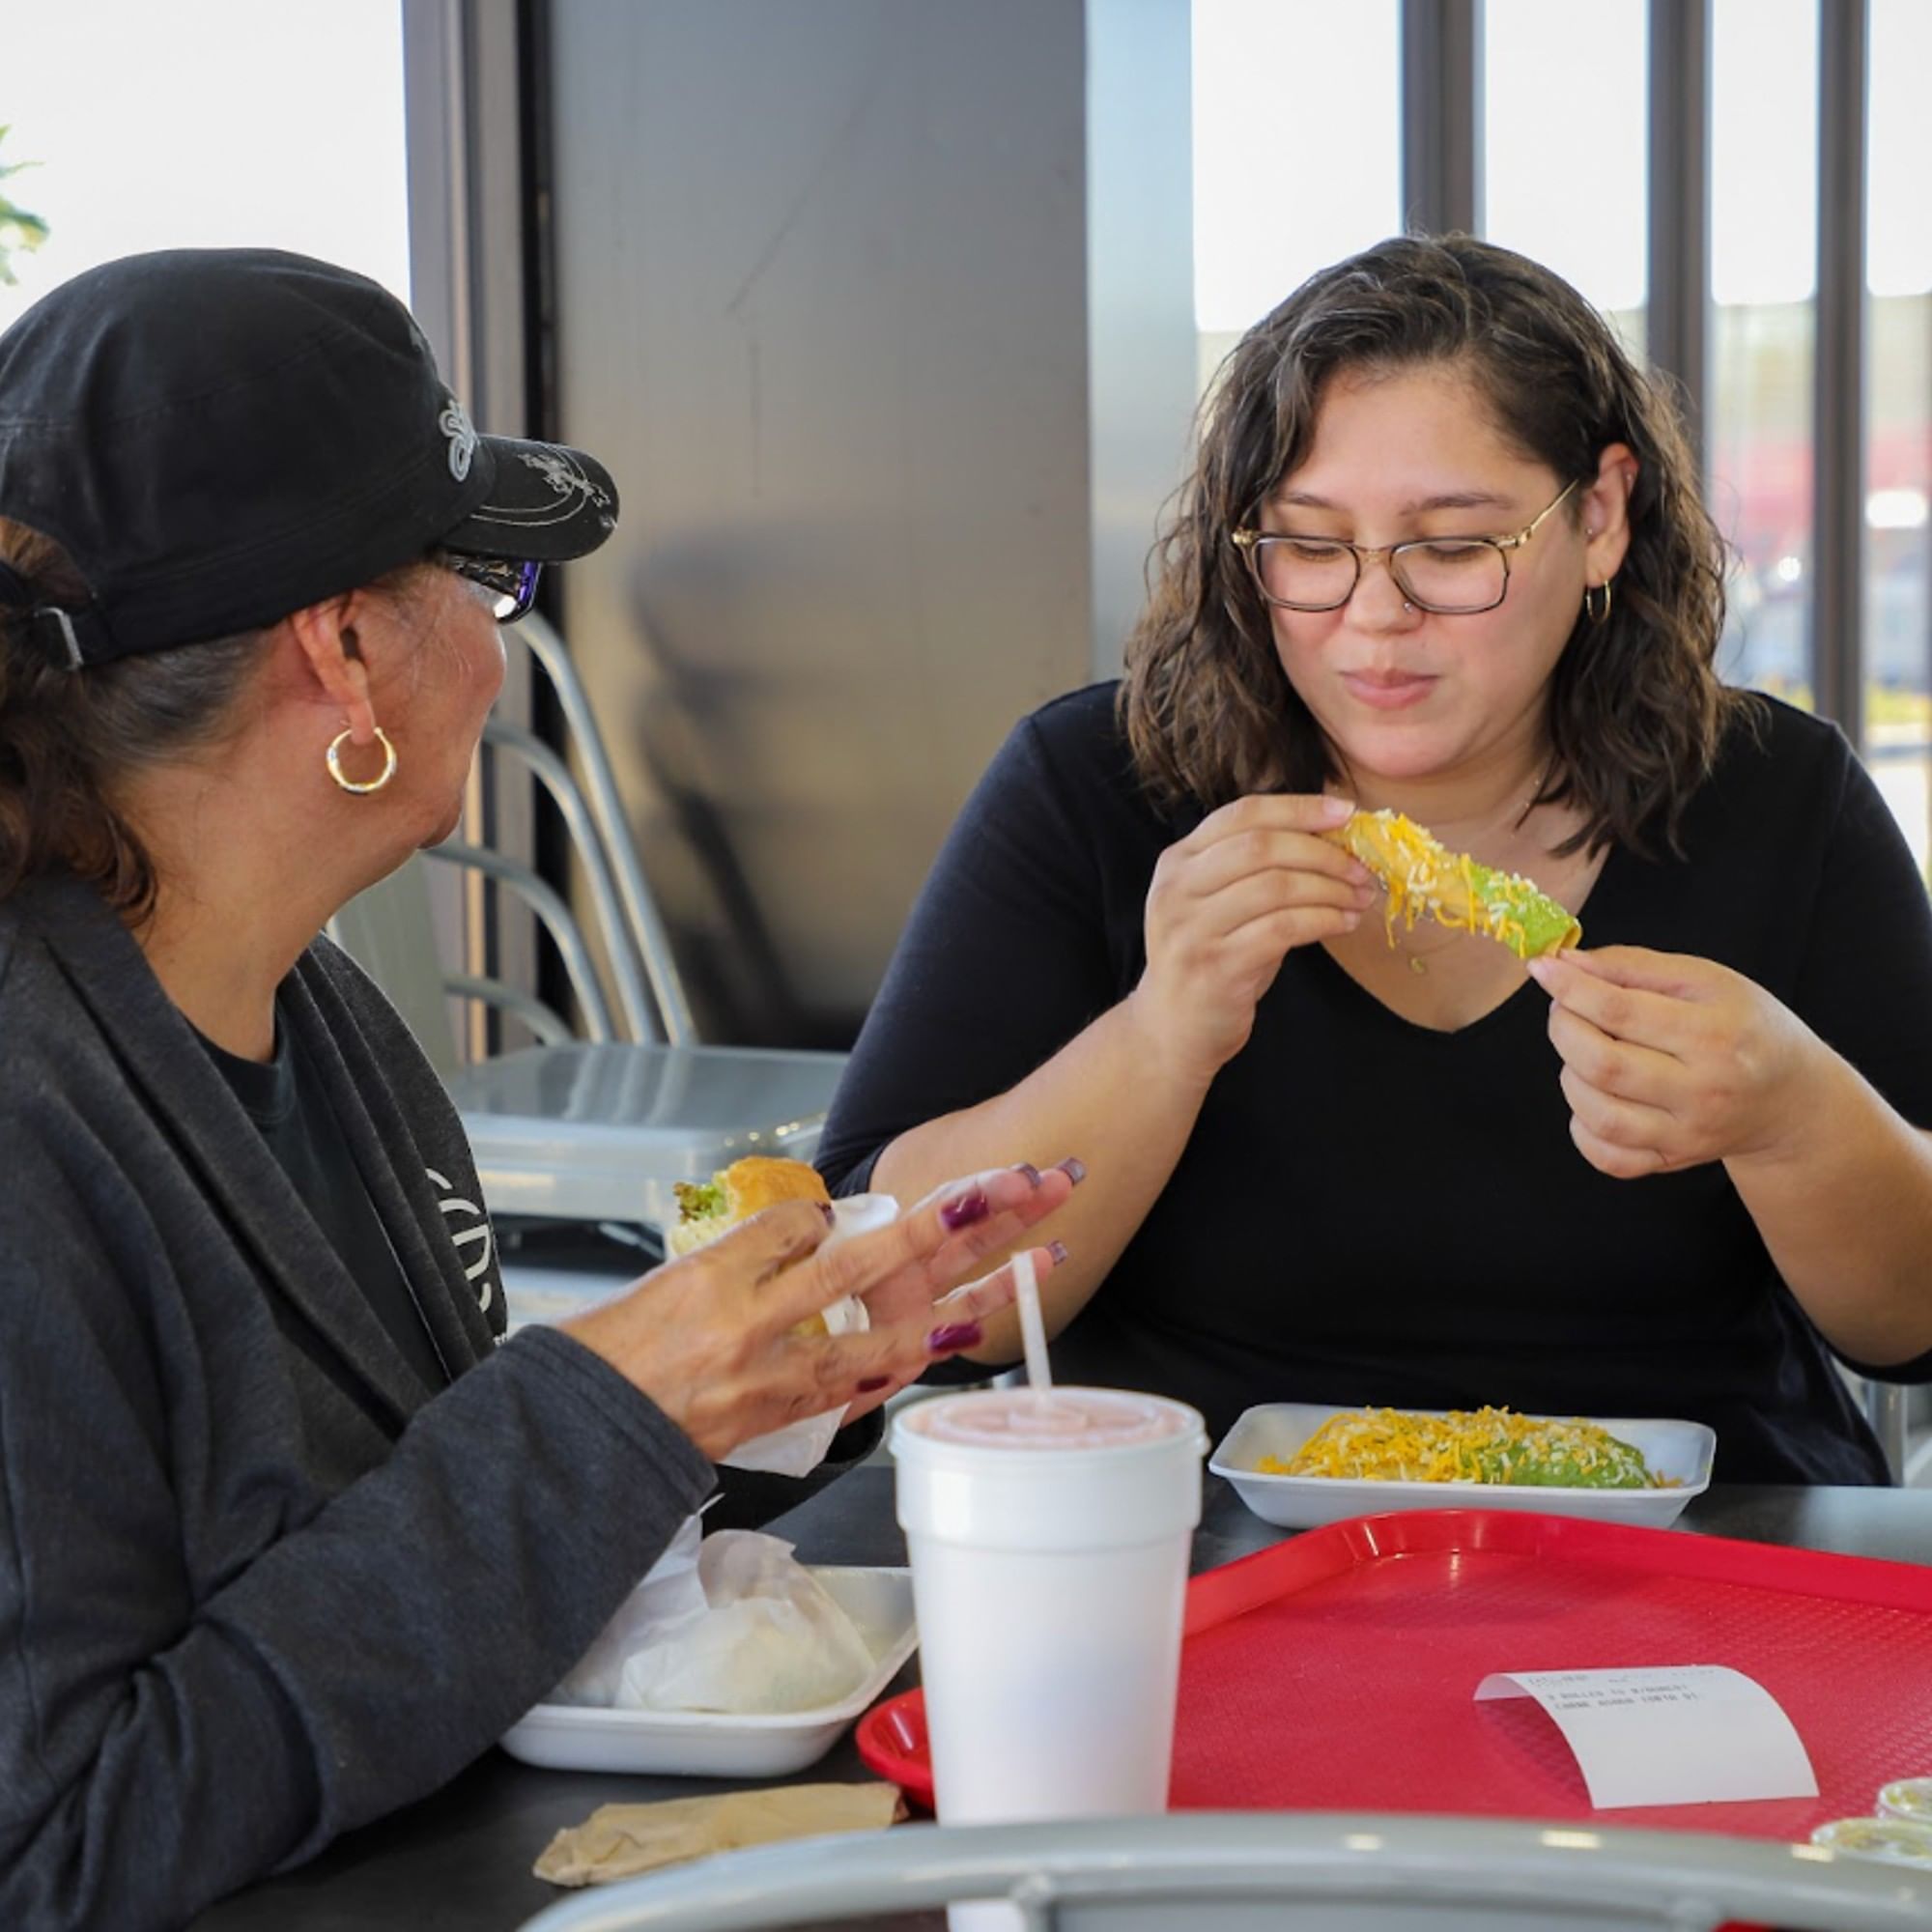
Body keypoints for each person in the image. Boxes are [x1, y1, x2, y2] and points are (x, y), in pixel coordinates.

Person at [0, 248, 1076, 1932]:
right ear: (345, 651)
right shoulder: (30, 1125)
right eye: (484, 583)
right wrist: (605, 1409)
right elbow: (58, 1845)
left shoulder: (325, 1025)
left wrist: (764, 1368)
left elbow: (405, 1543)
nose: (503, 654)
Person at [818, 233, 1932, 1488]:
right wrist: (1160, 1032)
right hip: (1190, 1558)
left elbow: (1913, 1330)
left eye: (1452, 548)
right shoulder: (1101, 789)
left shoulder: (1780, 803)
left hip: (1705, 1555)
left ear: (1604, 517)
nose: (1373, 616)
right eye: (1308, 543)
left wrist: (1795, 1120)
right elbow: (889, 1291)